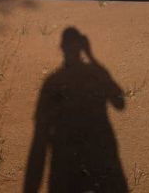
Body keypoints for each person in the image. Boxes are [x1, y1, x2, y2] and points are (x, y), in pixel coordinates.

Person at [24, 27, 128, 193]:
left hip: (64, 160)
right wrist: (93, 58)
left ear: (61, 48)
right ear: (81, 48)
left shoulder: (52, 81)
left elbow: (40, 136)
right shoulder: (94, 72)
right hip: (98, 151)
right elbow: (119, 103)